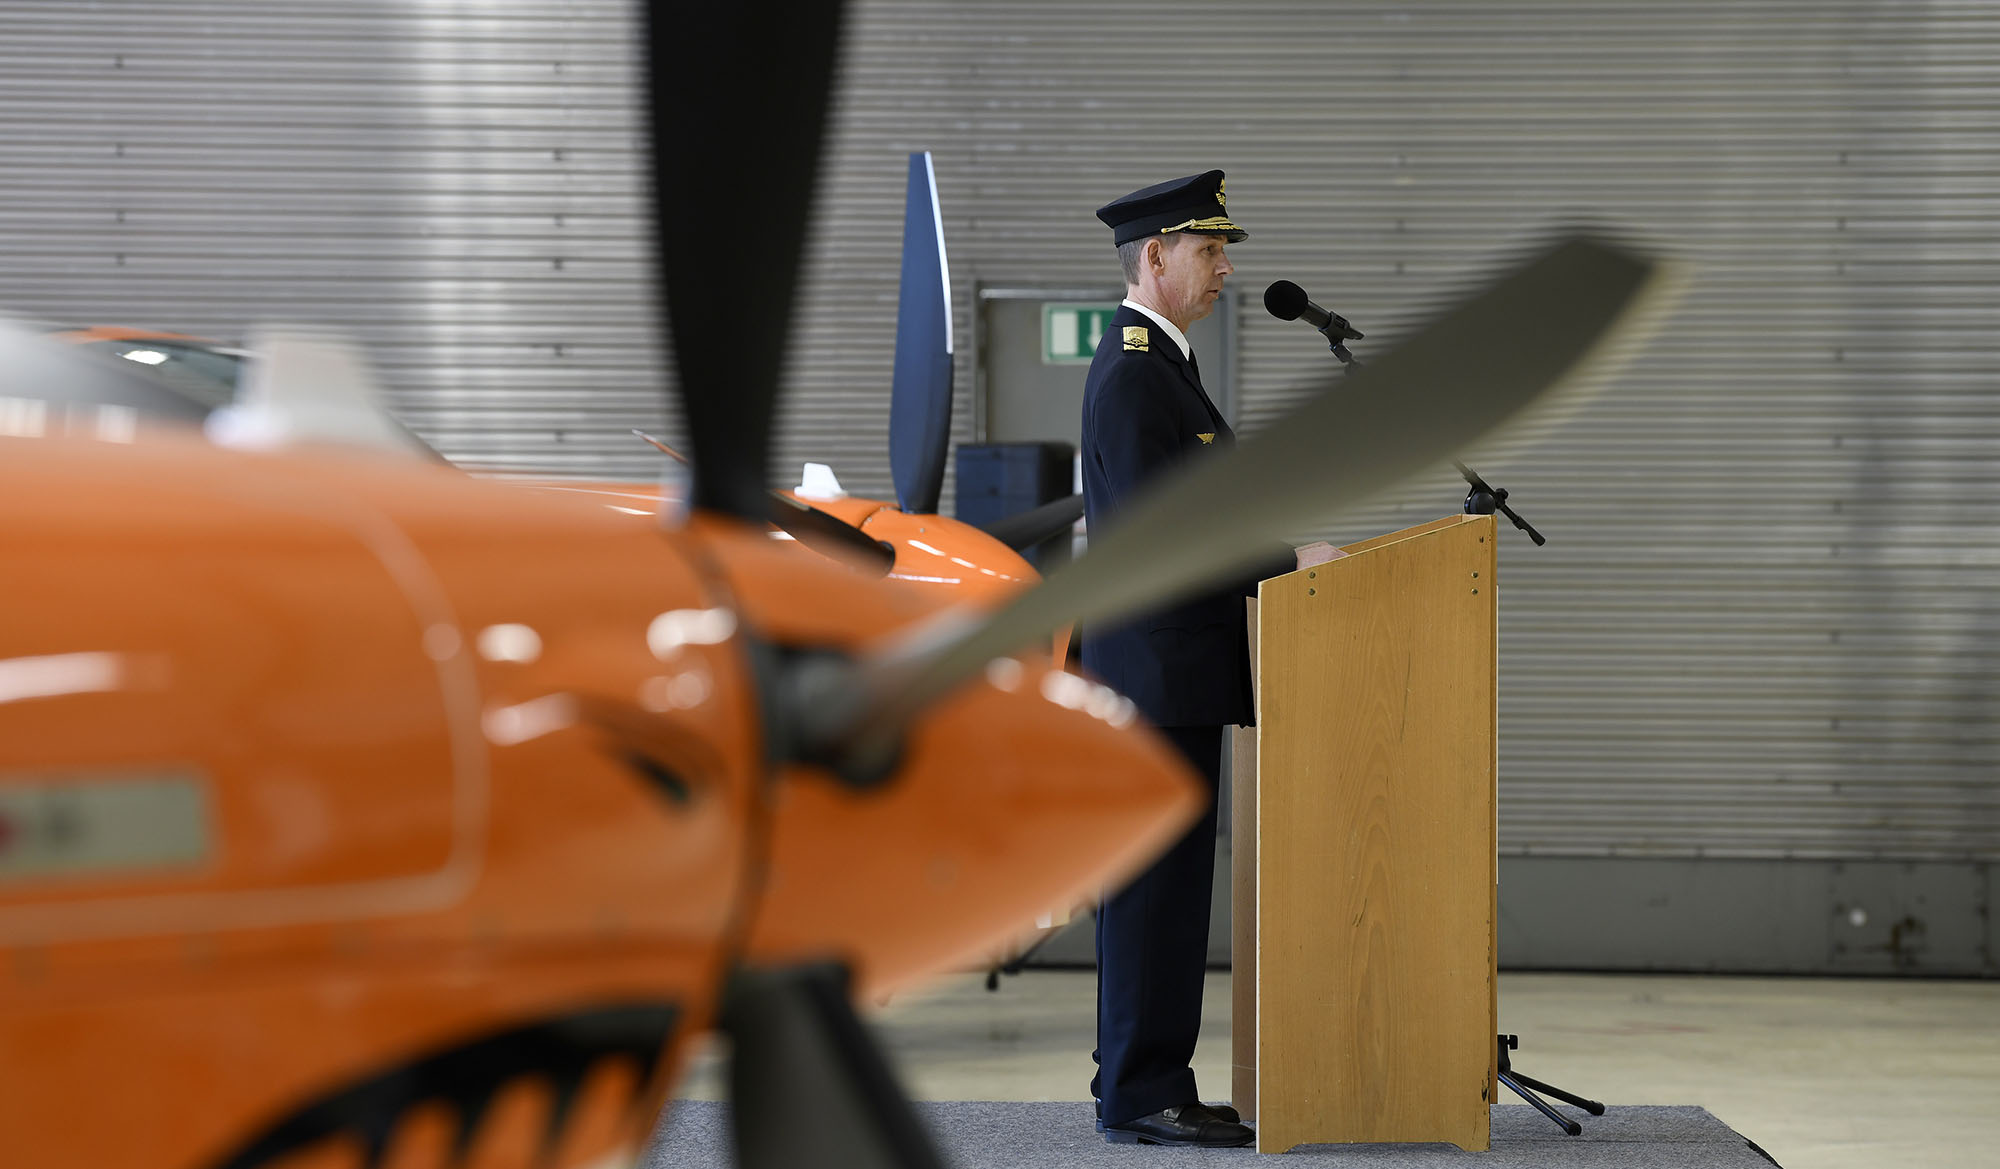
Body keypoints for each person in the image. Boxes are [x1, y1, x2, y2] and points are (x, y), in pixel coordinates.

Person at [1080, 170, 1336, 1149]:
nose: (1225, 268)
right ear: (1155, 256)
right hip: (1153, 674)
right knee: (1156, 890)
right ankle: (1143, 1090)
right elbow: (1171, 525)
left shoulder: (1159, 365)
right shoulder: (1137, 369)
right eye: (1208, 250)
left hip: (1166, 668)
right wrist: (1287, 557)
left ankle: (1138, 1073)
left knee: (1164, 890)